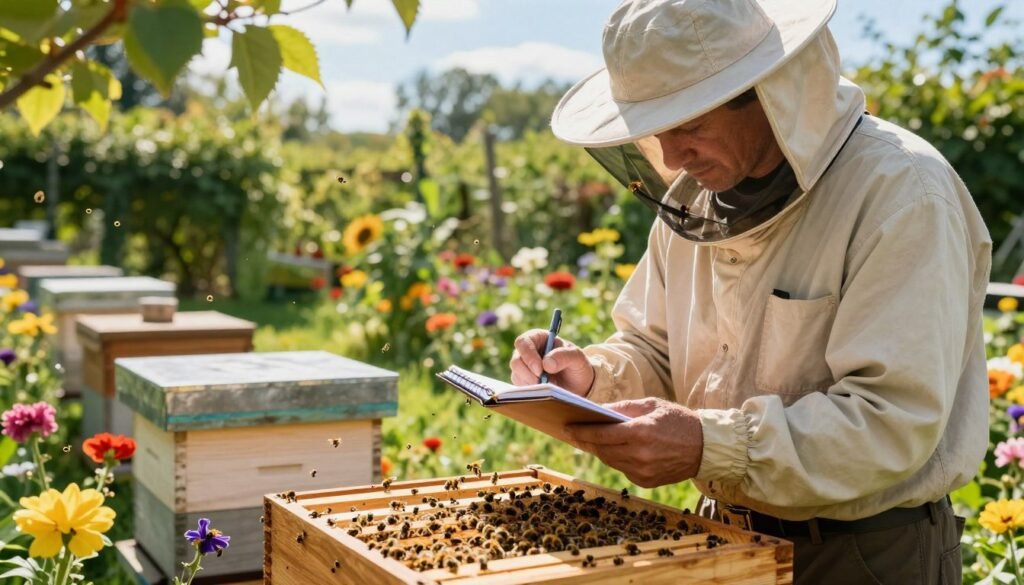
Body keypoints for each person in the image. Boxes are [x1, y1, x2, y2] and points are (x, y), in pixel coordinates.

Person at [509, 1, 991, 583]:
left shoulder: (902, 193)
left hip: (862, 553)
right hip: (721, 535)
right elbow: (655, 347)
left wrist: (711, 444)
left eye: (688, 125)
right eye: (655, 130)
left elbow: (890, 421)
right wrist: (590, 376)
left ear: (769, 93)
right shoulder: (694, 203)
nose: (669, 155)